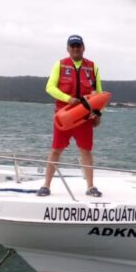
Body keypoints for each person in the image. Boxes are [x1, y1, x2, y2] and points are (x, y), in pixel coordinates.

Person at [37, 35, 103, 197]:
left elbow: (99, 93)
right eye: (72, 46)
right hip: (64, 116)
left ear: (83, 47)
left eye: (78, 46)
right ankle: (46, 185)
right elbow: (50, 87)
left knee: (86, 151)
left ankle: (90, 186)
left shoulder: (93, 67)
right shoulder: (59, 65)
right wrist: (68, 99)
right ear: (67, 48)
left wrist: (98, 114)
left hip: (84, 117)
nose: (75, 48)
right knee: (56, 150)